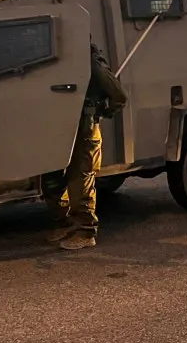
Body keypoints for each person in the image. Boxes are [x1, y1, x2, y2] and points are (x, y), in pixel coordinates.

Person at [42, 41, 129, 250]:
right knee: (52, 177)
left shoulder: (91, 62)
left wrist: (103, 112)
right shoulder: (61, 60)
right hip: (63, 127)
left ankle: (86, 231)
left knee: (81, 180)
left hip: (85, 130)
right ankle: (66, 223)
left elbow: (119, 96)